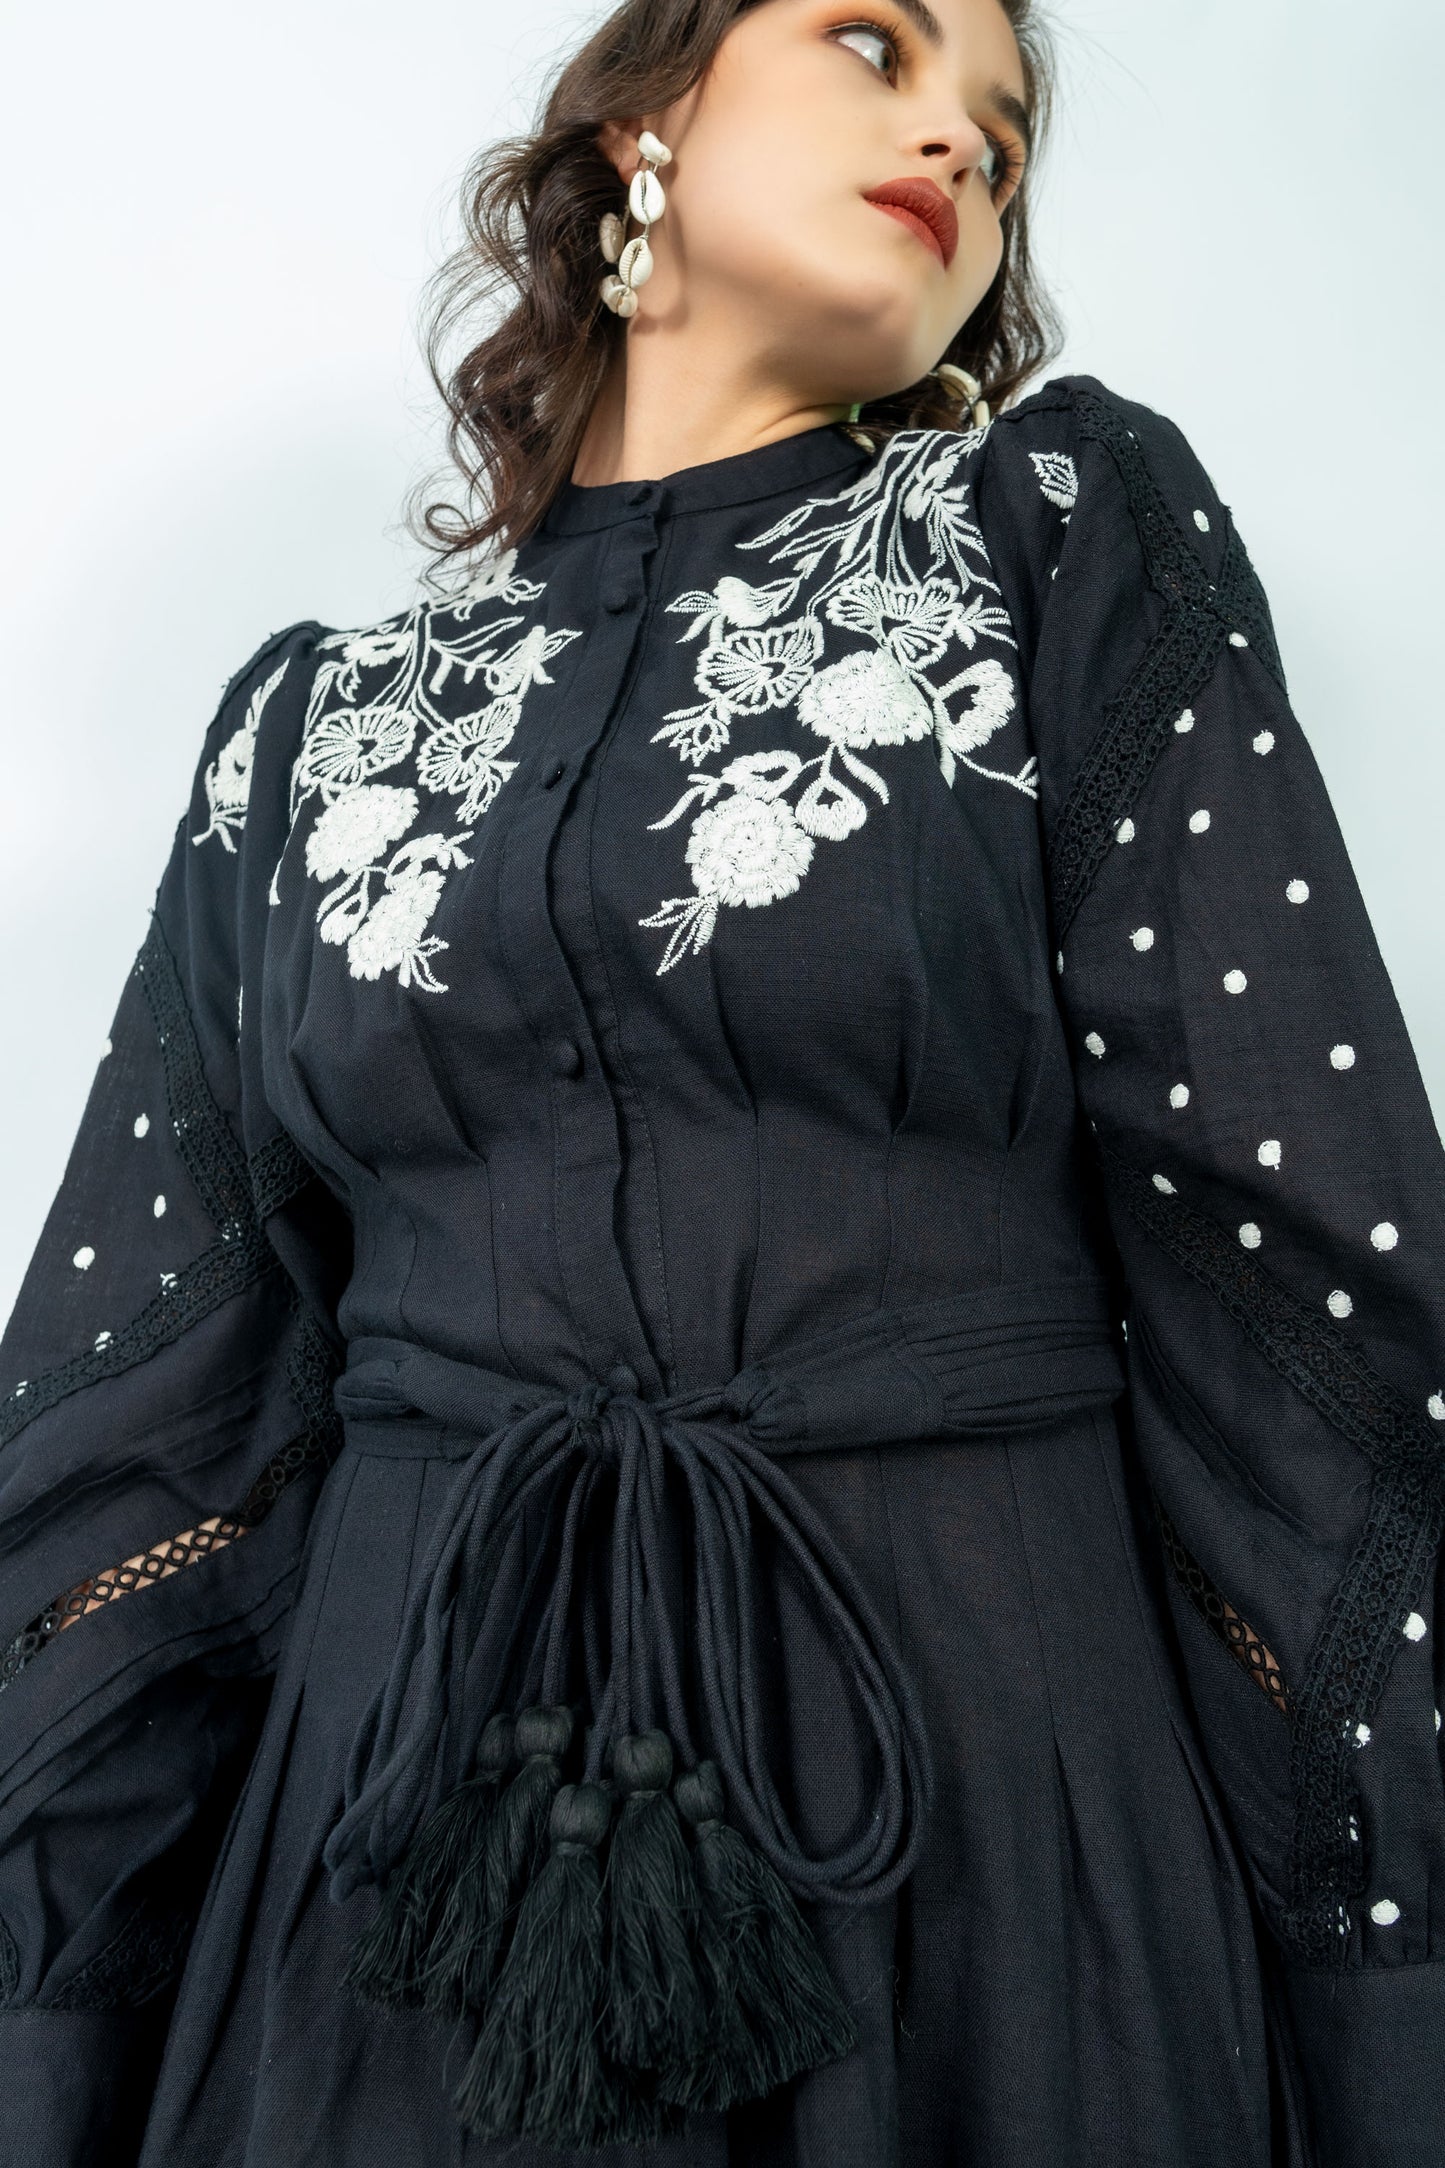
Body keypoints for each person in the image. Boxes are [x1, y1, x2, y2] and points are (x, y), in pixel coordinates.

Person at [1, 0, 1441, 2159]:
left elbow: (1297, 1293)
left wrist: (1384, 1978)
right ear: (642, 119)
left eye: (1008, 138)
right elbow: (150, 1434)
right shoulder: (299, 735)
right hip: (387, 1878)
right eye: (877, 43)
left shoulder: (1057, 534)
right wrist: (57, 2032)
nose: (957, 137)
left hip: (983, 1842)